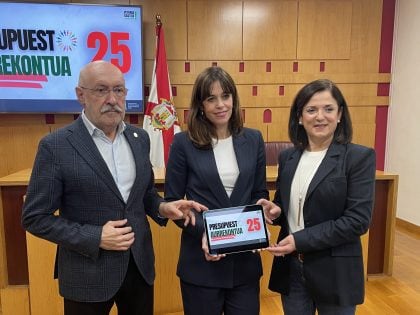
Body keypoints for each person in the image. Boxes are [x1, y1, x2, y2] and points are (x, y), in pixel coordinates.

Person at [21, 60, 206, 315]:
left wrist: (163, 207)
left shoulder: (139, 139)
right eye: (101, 90)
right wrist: (95, 237)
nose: (112, 99)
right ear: (80, 95)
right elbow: (34, 218)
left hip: (139, 268)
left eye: (119, 90)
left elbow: (144, 195)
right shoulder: (56, 146)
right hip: (87, 275)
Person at [257, 79, 376, 315]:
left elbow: (357, 221)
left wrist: (300, 240)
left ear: (340, 114)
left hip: (335, 271)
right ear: (300, 117)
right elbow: (287, 206)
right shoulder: (288, 158)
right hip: (291, 270)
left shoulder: (358, 158)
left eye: (328, 109)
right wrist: (278, 211)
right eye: (311, 110)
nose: (320, 116)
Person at [164, 66, 269, 315]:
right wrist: (210, 234)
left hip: (244, 264)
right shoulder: (182, 143)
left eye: (226, 96)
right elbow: (175, 203)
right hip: (202, 264)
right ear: (201, 105)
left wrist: (261, 216)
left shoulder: (254, 139)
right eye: (211, 98)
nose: (221, 104)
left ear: (234, 98)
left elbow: (258, 193)